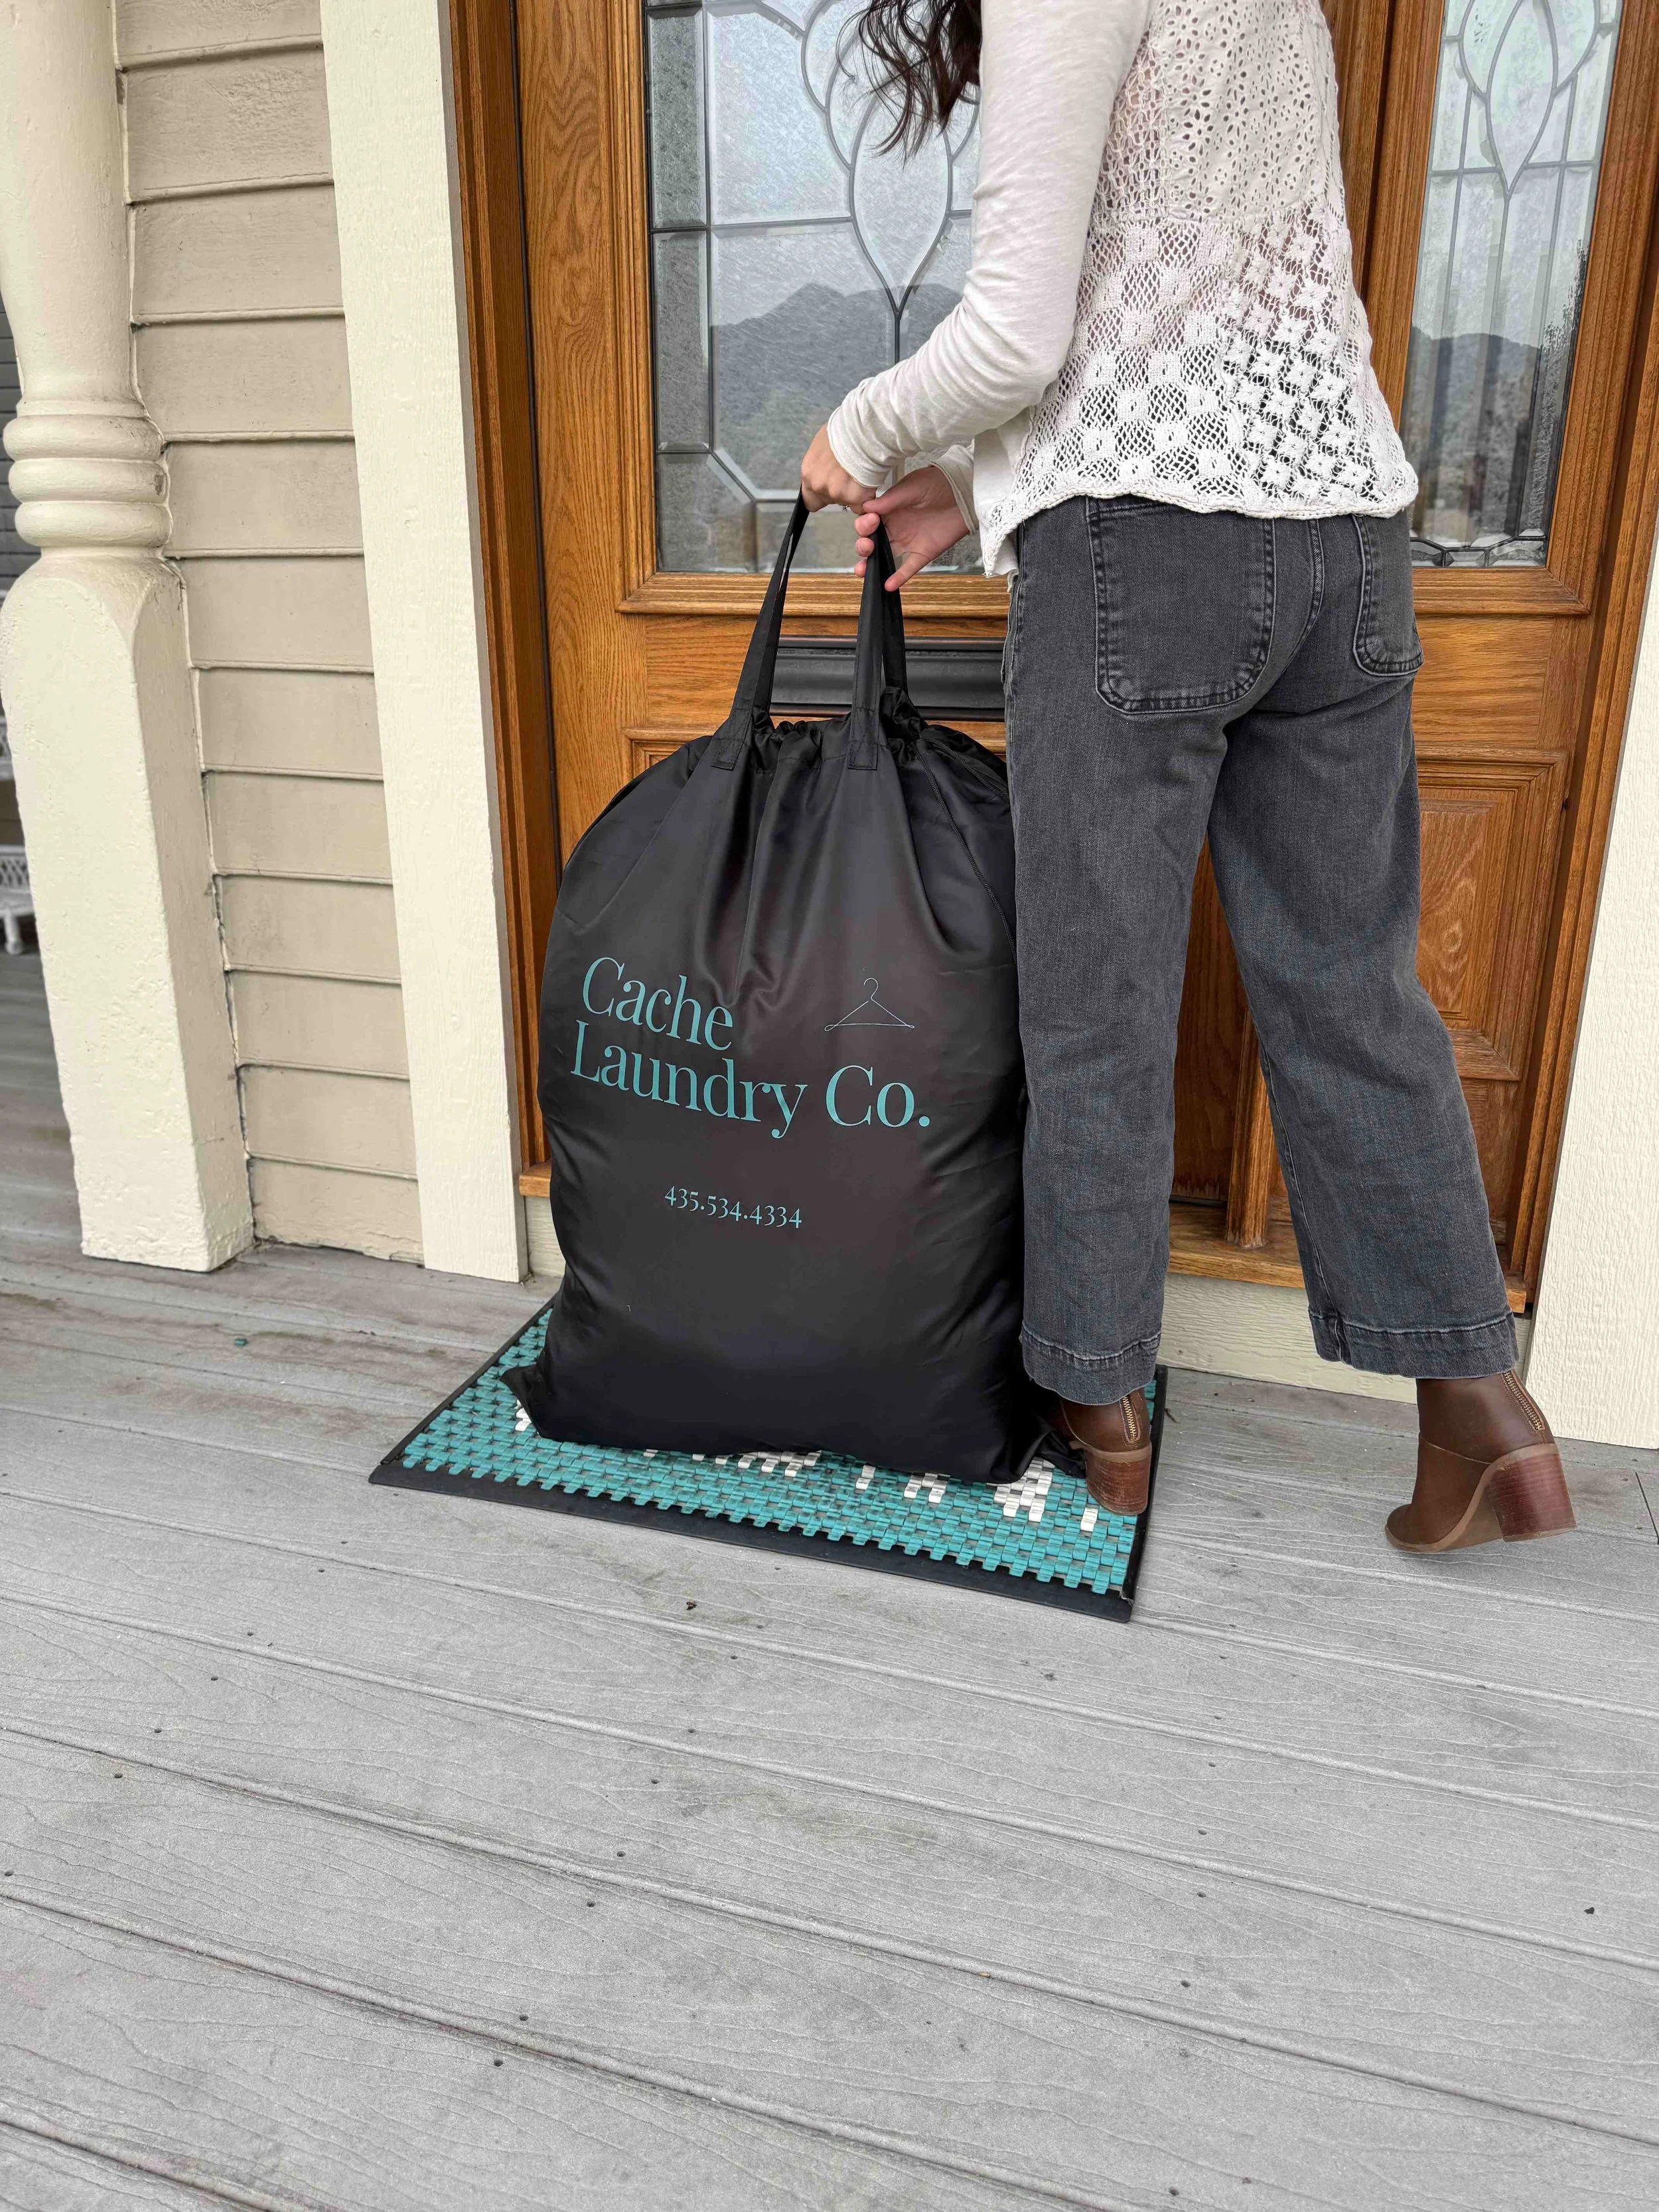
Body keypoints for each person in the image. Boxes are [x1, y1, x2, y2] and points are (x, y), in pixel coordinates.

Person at [799, 0, 1575, 1555]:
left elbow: (1019, 330)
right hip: (1343, 537)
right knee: (1353, 989)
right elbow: (1187, 294)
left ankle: (1101, 1408)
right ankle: (1479, 1413)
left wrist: (862, 433)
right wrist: (970, 485)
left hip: (1139, 556)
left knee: (1096, 1006)